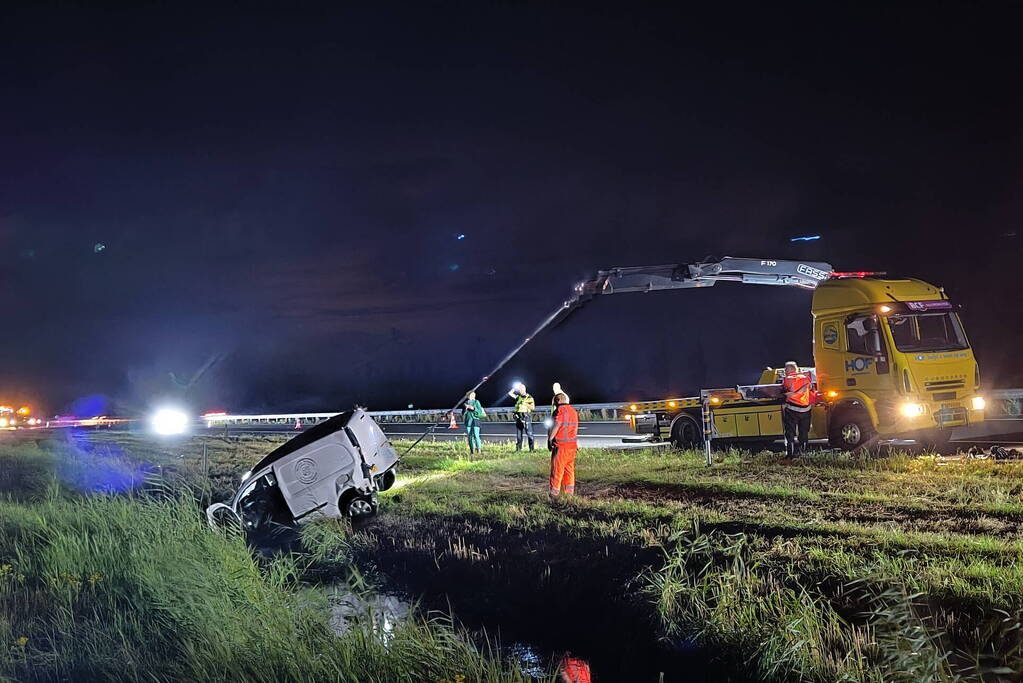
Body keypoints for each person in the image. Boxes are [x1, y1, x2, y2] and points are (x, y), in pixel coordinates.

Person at [548, 392, 579, 496]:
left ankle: (554, 494)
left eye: (555, 402)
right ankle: (569, 493)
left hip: (561, 447)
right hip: (572, 447)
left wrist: (550, 439)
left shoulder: (560, 410)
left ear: (558, 401)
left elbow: (557, 424)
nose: (555, 405)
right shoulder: (573, 411)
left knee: (557, 471)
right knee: (569, 471)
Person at [781, 361, 813, 458]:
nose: (785, 371)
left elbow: (784, 391)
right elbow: (810, 388)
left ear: (790, 369)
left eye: (786, 369)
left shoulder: (788, 379)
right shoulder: (805, 378)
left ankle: (790, 454)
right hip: (806, 410)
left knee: (790, 433)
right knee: (803, 433)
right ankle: (803, 453)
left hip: (792, 410)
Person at [508, 382, 536, 451]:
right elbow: (510, 393)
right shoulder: (518, 397)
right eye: (520, 389)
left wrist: (525, 404)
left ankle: (531, 449)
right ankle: (518, 450)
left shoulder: (529, 397)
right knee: (519, 435)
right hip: (519, 417)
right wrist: (514, 388)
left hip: (526, 417)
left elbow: (533, 407)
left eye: (522, 389)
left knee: (529, 434)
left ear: (525, 389)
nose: (521, 390)